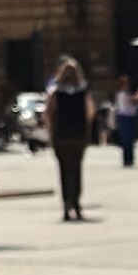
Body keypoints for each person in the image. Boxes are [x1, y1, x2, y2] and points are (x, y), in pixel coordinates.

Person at [44, 57, 94, 221]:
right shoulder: (83, 91)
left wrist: (51, 132)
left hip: (61, 136)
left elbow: (49, 114)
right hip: (78, 135)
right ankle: (77, 203)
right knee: (77, 169)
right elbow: (90, 112)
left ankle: (66, 205)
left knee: (64, 170)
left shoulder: (55, 92)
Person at [113, 71, 138, 168]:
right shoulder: (122, 94)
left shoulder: (122, 94)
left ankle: (129, 159)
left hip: (128, 118)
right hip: (126, 118)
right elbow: (134, 100)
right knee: (127, 140)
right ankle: (128, 160)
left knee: (129, 140)